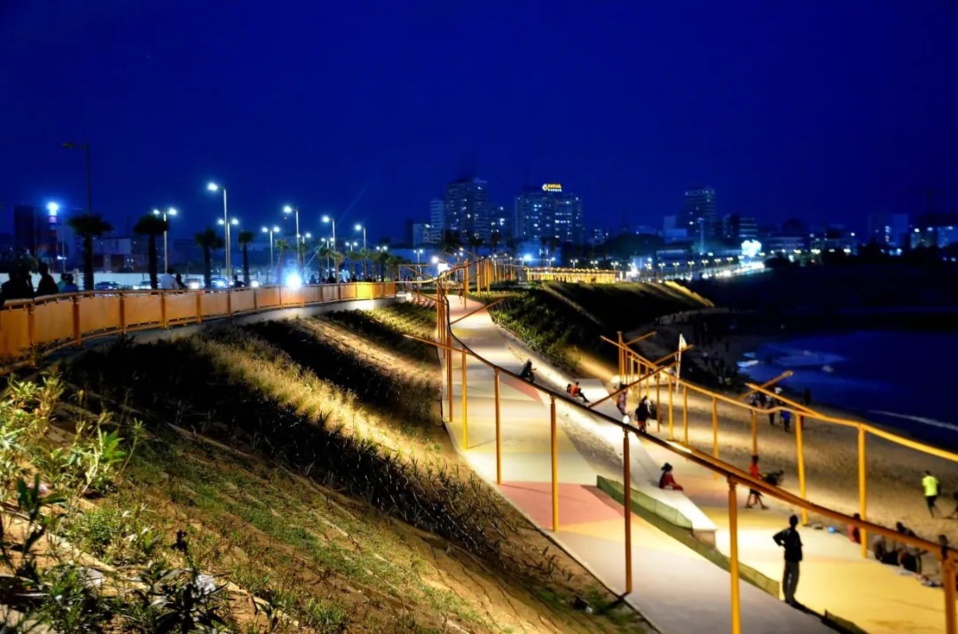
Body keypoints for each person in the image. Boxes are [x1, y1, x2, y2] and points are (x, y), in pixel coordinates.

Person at [773, 514, 803, 606]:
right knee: (793, 578)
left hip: (787, 557)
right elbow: (797, 546)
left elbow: (775, 537)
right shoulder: (795, 534)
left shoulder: (785, 531)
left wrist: (782, 544)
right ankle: (791, 598)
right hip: (794, 558)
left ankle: (786, 596)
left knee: (786, 577)